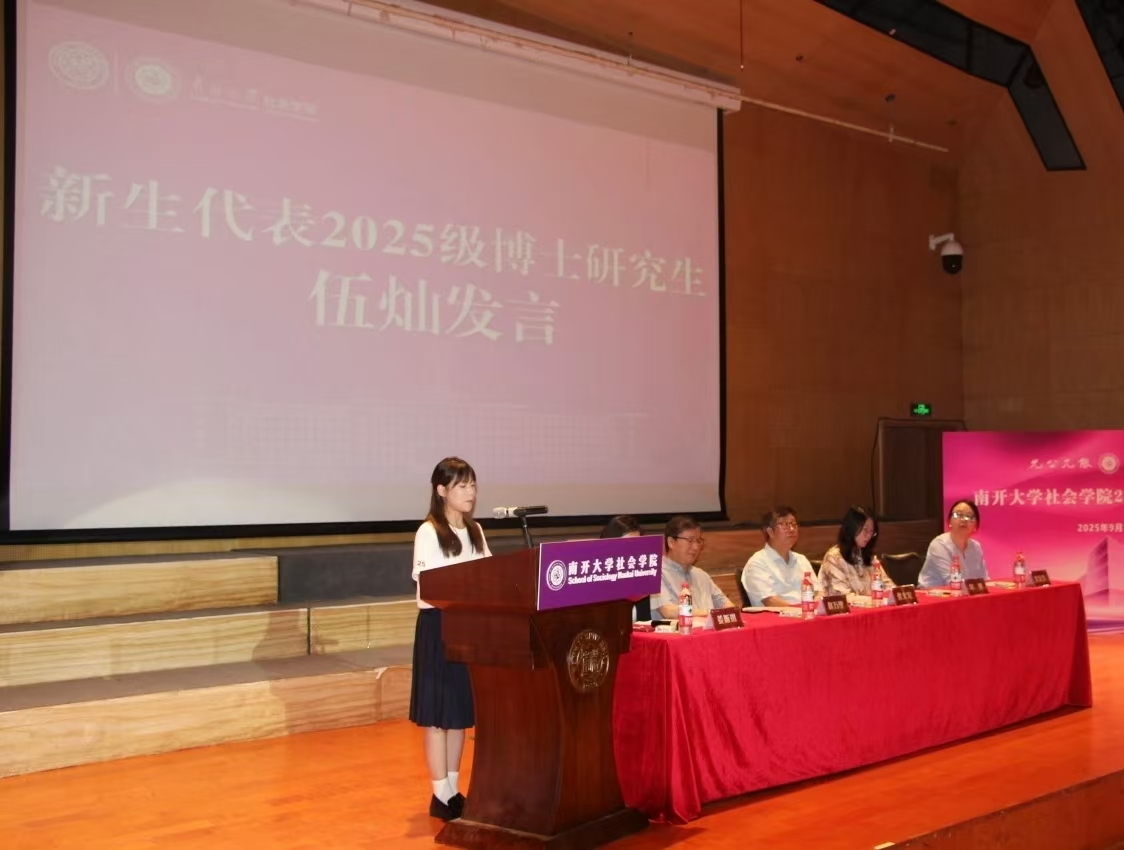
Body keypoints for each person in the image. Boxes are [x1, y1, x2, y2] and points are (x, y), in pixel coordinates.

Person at [410, 457, 491, 822]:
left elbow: (492, 575)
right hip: (438, 626)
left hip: (467, 628)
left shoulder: (475, 530)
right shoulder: (428, 532)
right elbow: (427, 591)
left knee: (459, 715)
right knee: (438, 716)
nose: (470, 492)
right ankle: (439, 792)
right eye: (462, 486)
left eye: (472, 485)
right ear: (442, 490)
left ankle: (454, 790)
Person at [653, 515, 732, 619]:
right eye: (690, 540)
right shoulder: (655, 574)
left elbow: (727, 605)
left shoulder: (701, 575)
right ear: (671, 542)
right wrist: (712, 613)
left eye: (698, 541)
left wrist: (726, 611)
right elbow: (669, 612)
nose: (696, 547)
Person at [741, 506, 821, 607]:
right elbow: (770, 602)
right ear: (770, 532)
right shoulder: (757, 563)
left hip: (807, 612)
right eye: (785, 524)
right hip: (779, 615)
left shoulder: (801, 559)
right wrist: (801, 611)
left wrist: (816, 607)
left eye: (794, 524)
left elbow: (818, 592)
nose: (792, 529)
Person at [819, 505, 890, 598]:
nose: (869, 535)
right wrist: (871, 601)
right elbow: (843, 596)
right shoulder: (834, 557)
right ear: (852, 528)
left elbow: (887, 585)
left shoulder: (869, 557)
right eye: (865, 530)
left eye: (872, 532)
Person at [918, 499, 988, 587]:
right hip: (933, 593)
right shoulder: (939, 545)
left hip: (964, 593)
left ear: (975, 526)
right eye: (958, 515)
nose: (964, 520)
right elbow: (952, 582)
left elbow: (984, 580)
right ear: (949, 522)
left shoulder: (976, 547)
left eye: (969, 516)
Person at [599, 515, 650, 621]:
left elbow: (645, 622)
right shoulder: (598, 581)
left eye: (637, 545)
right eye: (628, 545)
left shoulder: (641, 578)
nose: (633, 552)